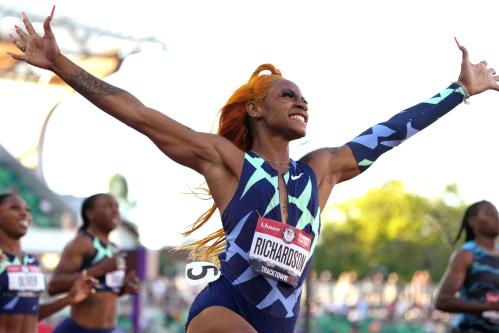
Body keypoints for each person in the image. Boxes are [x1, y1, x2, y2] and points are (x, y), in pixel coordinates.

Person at [8, 7, 499, 333]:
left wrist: (458, 92)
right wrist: (62, 66)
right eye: (287, 94)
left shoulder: (322, 171)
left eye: (304, 96)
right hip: (224, 312)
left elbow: (389, 133)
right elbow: (140, 116)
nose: (301, 100)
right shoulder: (228, 163)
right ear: (257, 111)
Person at [0, 192, 97, 333]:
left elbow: (33, 313)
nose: (24, 214)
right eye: (14, 208)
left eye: (27, 210)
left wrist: (69, 298)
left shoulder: (32, 261)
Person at [46, 193, 140, 333]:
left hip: (109, 329)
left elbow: (101, 290)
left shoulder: (113, 247)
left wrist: (123, 288)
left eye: (116, 206)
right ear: (90, 214)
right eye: (108, 206)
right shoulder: (82, 243)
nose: (115, 211)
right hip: (80, 329)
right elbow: (53, 286)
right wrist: (100, 269)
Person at [435, 200, 499, 332]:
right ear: (472, 221)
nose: (496, 217)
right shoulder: (467, 254)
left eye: (496, 213)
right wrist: (487, 307)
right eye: (489, 213)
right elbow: (442, 301)